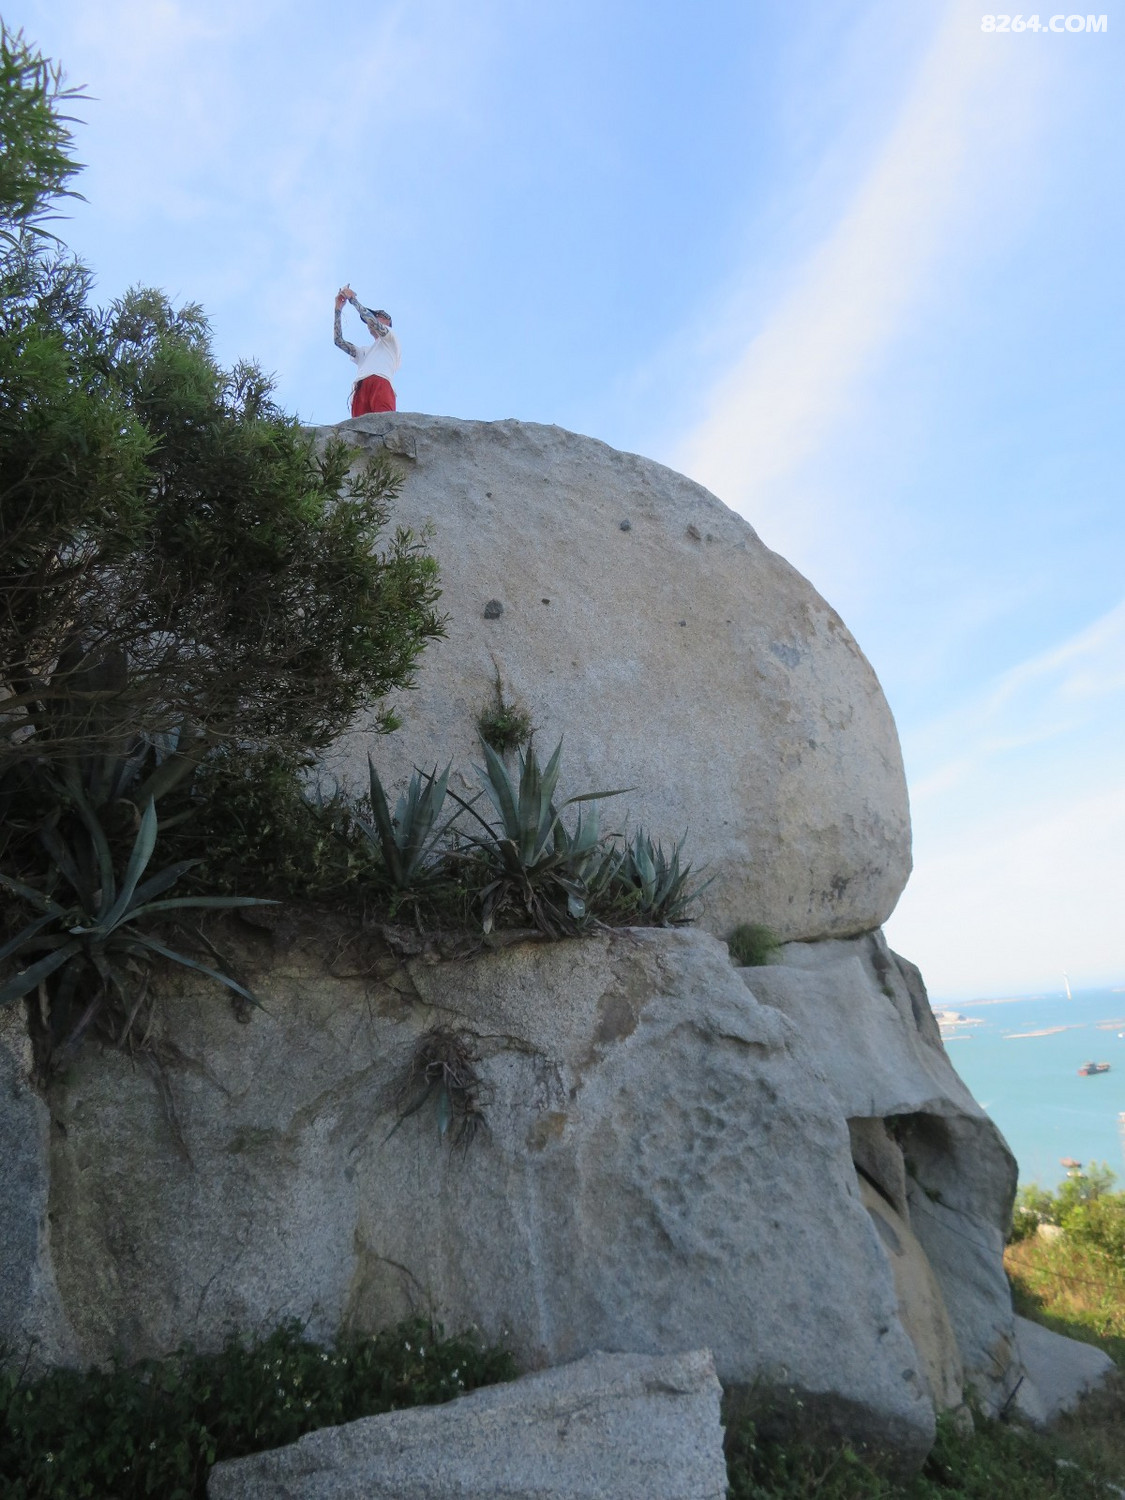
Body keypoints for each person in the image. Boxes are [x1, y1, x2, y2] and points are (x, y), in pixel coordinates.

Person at [334, 284, 401, 416]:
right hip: (360, 388)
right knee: (358, 427)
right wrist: (338, 309)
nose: (369, 323)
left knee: (385, 423)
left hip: (381, 381)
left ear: (387, 321)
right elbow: (338, 341)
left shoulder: (391, 338)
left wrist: (353, 300)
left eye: (376, 316)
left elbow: (373, 322)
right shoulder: (364, 351)